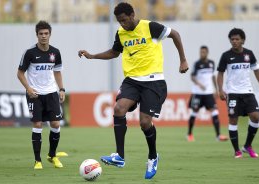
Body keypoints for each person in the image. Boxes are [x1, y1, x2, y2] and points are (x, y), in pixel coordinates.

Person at [78, 2, 188, 179]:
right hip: (132, 81)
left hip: (154, 82)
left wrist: (183, 60)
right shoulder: (121, 33)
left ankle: (153, 156)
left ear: (131, 15)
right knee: (118, 109)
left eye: (124, 20)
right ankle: (119, 156)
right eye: (119, 21)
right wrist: (92, 56)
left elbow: (175, 34)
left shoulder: (150, 27)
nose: (122, 24)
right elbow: (114, 52)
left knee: (145, 123)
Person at [17, 20, 65, 169]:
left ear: (50, 34)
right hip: (35, 94)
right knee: (37, 124)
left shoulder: (55, 52)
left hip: (51, 93)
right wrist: (29, 89)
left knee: (56, 124)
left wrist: (61, 89)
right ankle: (38, 160)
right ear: (37, 35)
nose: (43, 36)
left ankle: (52, 155)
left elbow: (57, 71)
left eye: (46, 33)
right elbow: (20, 73)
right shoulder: (30, 53)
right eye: (41, 34)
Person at [217, 28, 259, 158]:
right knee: (233, 120)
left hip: (248, 91)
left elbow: (257, 71)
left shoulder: (249, 54)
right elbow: (220, 73)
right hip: (233, 93)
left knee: (255, 117)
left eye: (237, 39)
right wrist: (220, 90)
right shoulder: (226, 56)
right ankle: (237, 150)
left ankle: (247, 146)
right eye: (232, 39)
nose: (234, 41)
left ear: (242, 40)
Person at [187, 46, 228, 142]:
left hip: (209, 93)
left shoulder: (211, 63)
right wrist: (199, 84)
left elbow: (213, 77)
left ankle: (218, 135)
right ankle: (189, 134)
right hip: (198, 92)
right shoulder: (197, 64)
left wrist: (216, 89)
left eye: (204, 52)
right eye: (201, 52)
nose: (202, 54)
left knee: (214, 111)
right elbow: (192, 77)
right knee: (194, 112)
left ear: (207, 53)